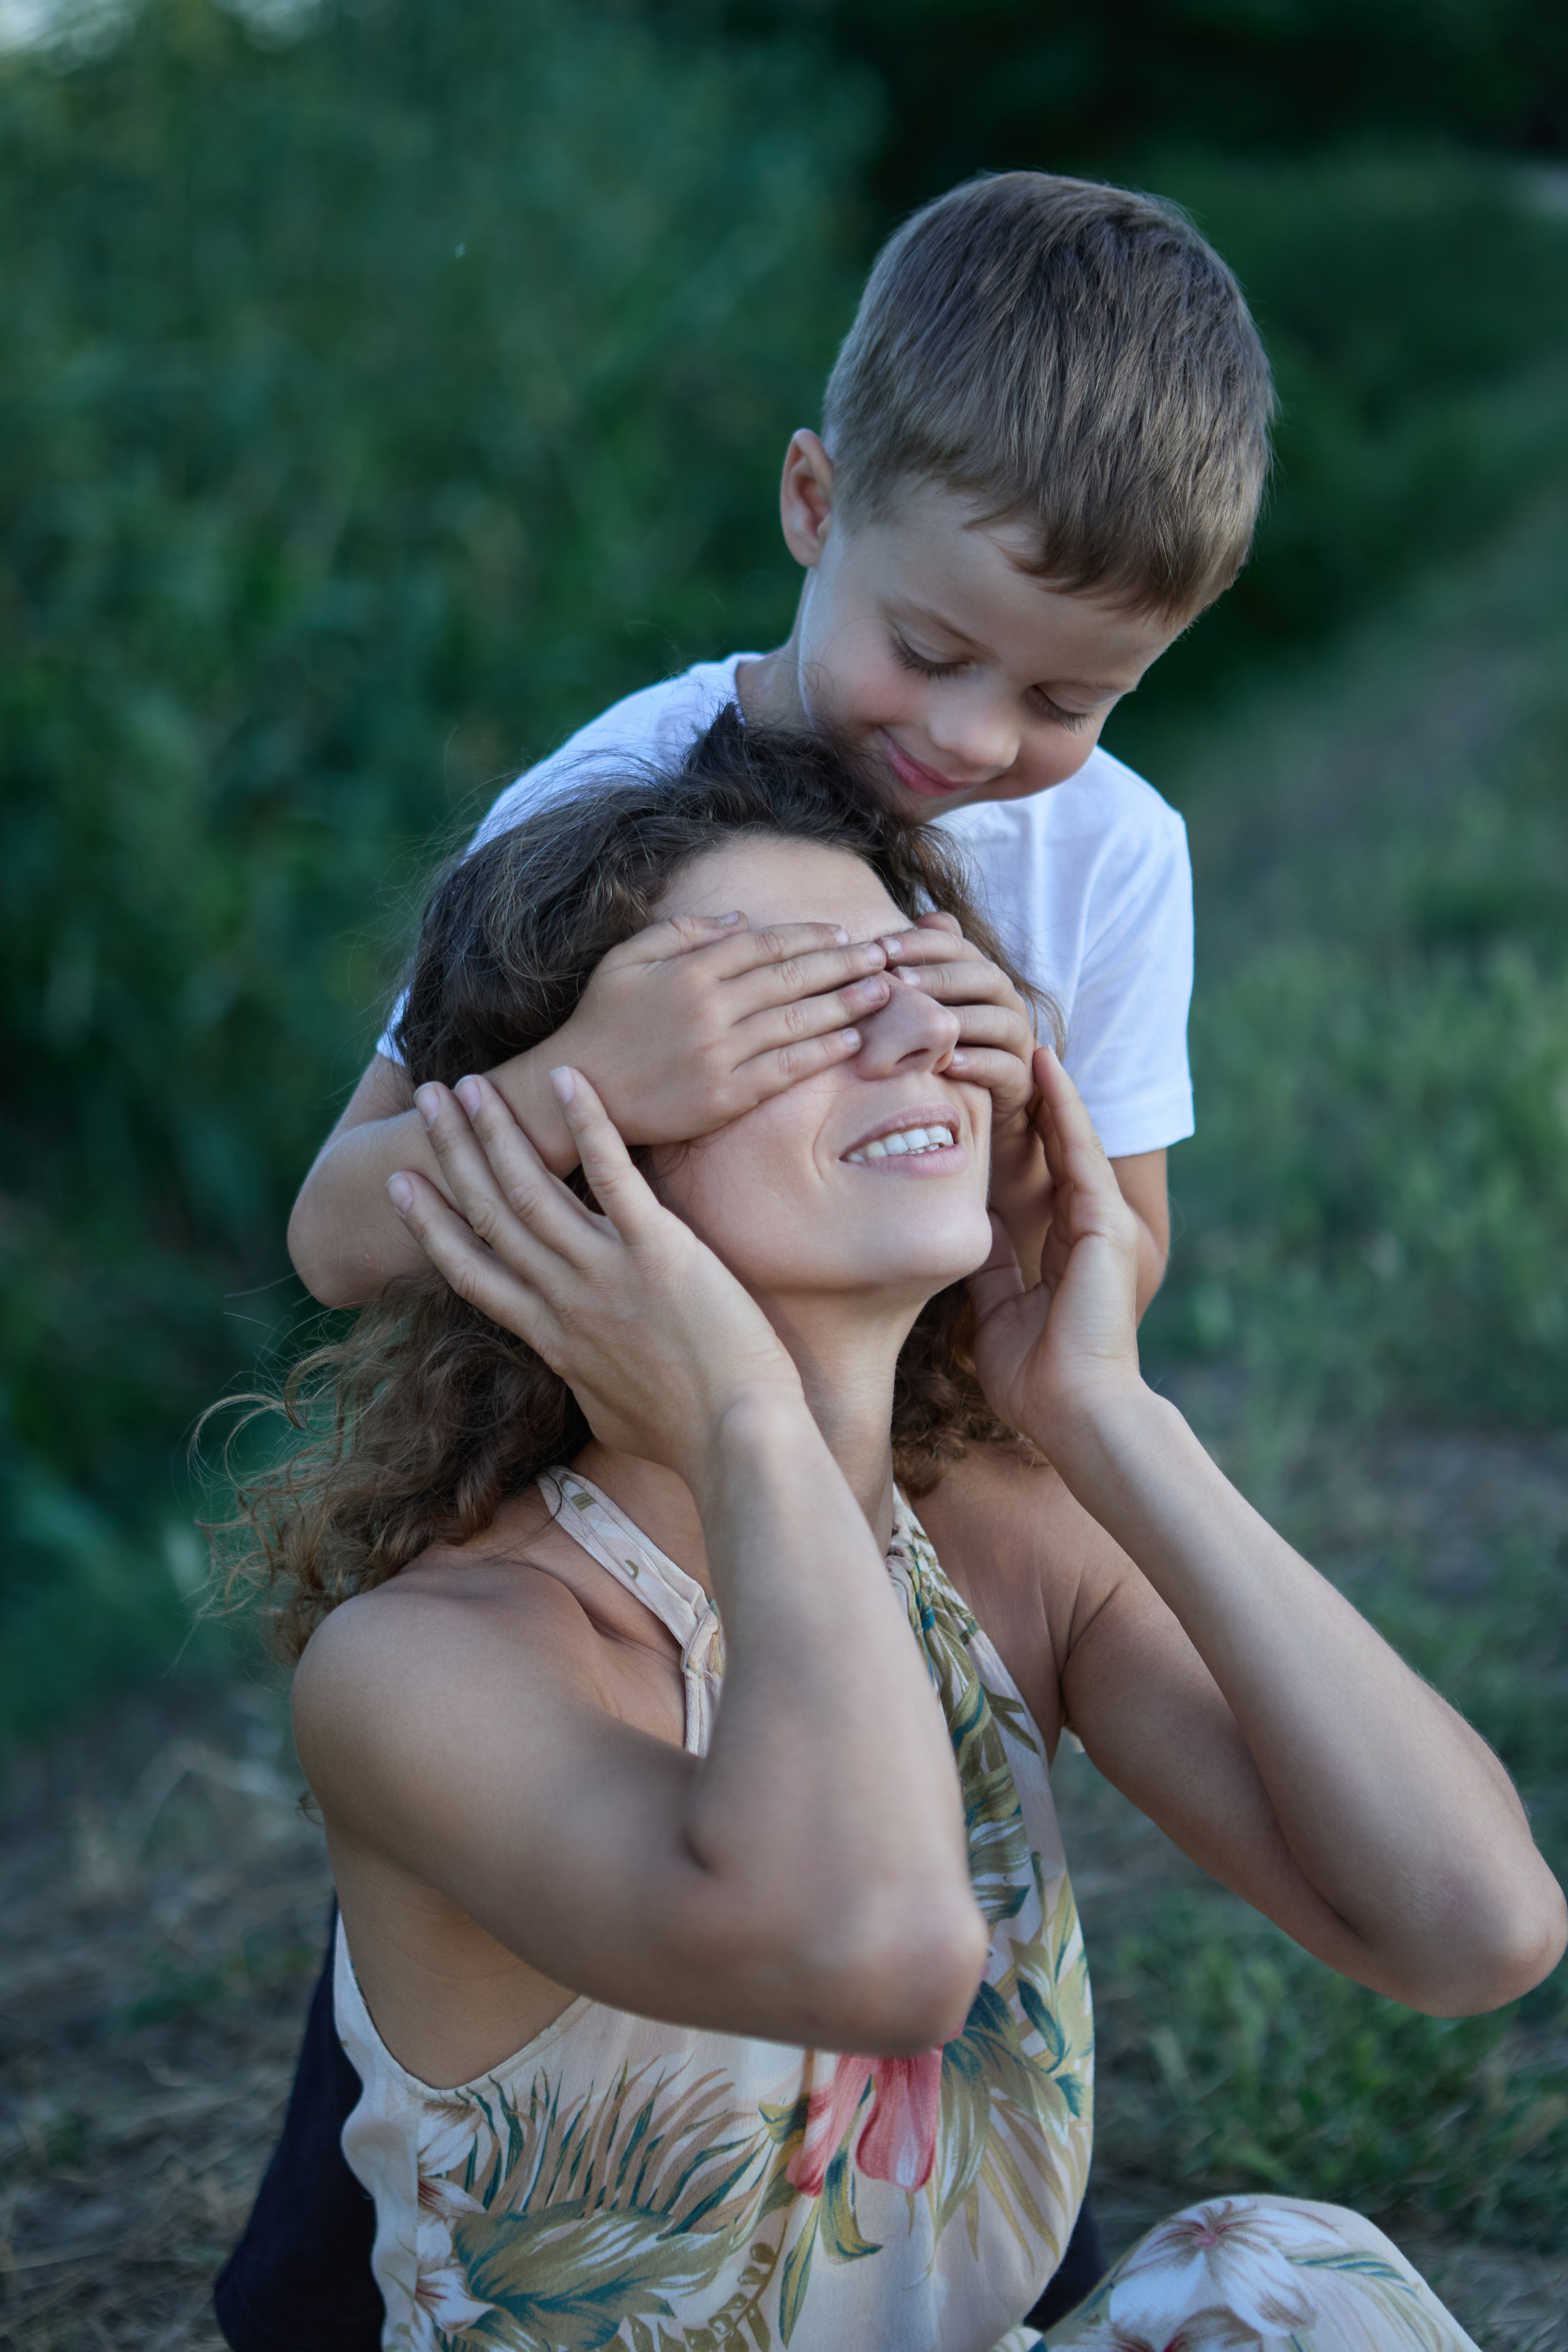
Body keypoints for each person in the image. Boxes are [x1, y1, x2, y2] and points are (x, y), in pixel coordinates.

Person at [217, 725, 1564, 2352]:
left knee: (1277, 2270)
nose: (921, 1029)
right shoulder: (436, 1666)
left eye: (919, 974)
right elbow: (879, 1950)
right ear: (578, 1157)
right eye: (791, 1008)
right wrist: (737, 1414)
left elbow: (1469, 1926)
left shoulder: (1003, 1547)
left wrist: (1104, 1410)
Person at [284, 170, 1277, 1322]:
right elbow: (333, 1238)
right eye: (926, 649)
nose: (971, 737)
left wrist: (1013, 1137)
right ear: (813, 503)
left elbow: (1121, 1278)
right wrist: (590, 1083)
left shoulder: (1115, 854)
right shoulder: (610, 795)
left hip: (922, 1462)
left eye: (1066, 702)